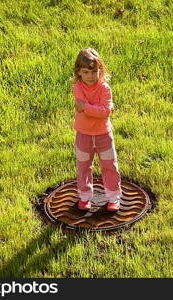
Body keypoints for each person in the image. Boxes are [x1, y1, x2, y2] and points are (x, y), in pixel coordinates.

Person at [72, 48, 122, 211]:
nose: (90, 76)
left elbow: (105, 112)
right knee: (84, 166)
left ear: (100, 70)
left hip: (103, 135)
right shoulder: (78, 88)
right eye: (86, 72)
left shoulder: (104, 88)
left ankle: (113, 198)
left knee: (109, 166)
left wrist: (86, 107)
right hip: (84, 135)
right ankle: (85, 197)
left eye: (94, 71)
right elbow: (102, 110)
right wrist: (98, 109)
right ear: (79, 72)